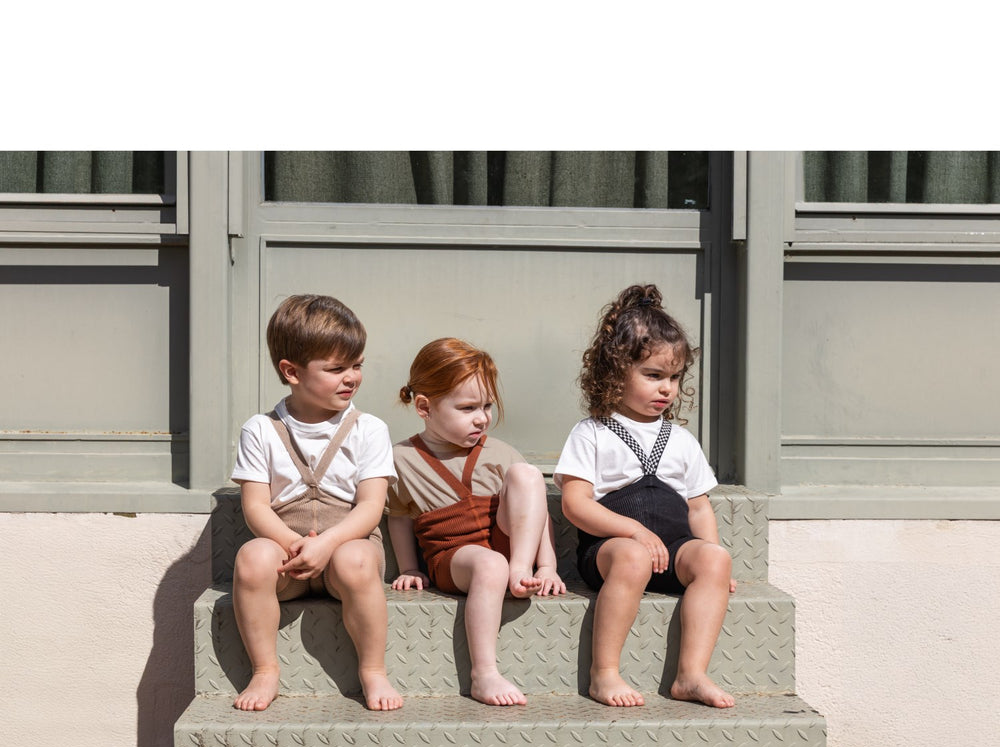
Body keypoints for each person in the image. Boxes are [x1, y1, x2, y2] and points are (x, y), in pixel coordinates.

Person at [555, 284, 736, 710]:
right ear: (614, 373)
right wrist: (632, 531)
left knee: (715, 559)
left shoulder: (681, 440)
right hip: (612, 551)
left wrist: (712, 556)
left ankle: (690, 675)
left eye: (674, 378)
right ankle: (604, 672)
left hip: (672, 551)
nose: (666, 389)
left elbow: (698, 507)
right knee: (633, 557)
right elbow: (575, 504)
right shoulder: (593, 432)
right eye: (653, 376)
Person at [229, 294, 402, 712]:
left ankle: (373, 669)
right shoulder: (260, 430)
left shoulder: (369, 429)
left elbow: (371, 507)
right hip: (287, 555)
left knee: (356, 560)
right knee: (251, 558)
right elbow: (256, 507)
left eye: (357, 365)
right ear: (291, 372)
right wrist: (295, 545)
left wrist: (325, 545)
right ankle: (264, 669)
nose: (351, 378)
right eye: (337, 369)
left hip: (346, 549)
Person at [387, 337, 566, 706]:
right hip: (455, 557)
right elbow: (400, 517)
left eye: (486, 405)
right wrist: (408, 568)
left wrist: (547, 566)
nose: (482, 418)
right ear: (424, 407)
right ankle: (483, 673)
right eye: (467, 408)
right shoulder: (401, 458)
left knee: (527, 475)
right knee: (490, 563)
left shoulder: (500, 452)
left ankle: (521, 572)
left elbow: (537, 512)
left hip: (505, 545)